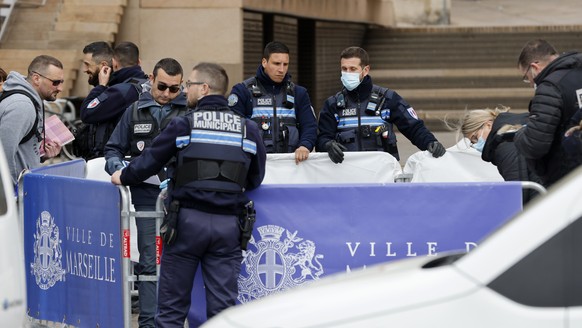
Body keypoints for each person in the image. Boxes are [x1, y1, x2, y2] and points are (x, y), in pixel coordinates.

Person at [111, 62, 266, 326]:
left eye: (189, 85)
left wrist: (123, 176)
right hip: (228, 227)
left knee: (171, 309)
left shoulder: (185, 125)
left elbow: (150, 160)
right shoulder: (247, 129)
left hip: (186, 225)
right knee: (223, 313)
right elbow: (255, 178)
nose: (186, 90)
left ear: (204, 88)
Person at [104, 58, 189, 328]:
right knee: (150, 260)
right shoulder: (133, 110)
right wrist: (119, 170)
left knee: (184, 259)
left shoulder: (189, 111)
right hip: (145, 193)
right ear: (151, 79)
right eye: (162, 86)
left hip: (181, 195)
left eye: (174, 89)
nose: (166, 94)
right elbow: (113, 149)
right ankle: (150, 323)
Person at [316, 46, 445, 163]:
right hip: (347, 173)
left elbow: (413, 127)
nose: (347, 73)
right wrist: (328, 145)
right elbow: (322, 138)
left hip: (382, 173)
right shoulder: (332, 104)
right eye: (344, 69)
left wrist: (430, 142)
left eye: (353, 69)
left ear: (365, 70)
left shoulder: (388, 99)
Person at [228, 41, 317, 164]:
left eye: (285, 64)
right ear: (264, 62)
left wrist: (305, 146)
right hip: (254, 164)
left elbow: (309, 126)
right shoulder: (242, 91)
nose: (281, 69)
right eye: (276, 64)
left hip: (291, 165)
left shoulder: (299, 93)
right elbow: (233, 128)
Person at [513, 39, 582, 187]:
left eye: (526, 77)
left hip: (567, 178)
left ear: (534, 67)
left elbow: (534, 145)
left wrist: (518, 134)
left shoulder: (550, 88)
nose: (530, 82)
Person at [449, 107, 542, 204]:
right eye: (473, 142)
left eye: (475, 137)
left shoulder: (505, 145)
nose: (476, 144)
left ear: (488, 125)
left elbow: (518, 191)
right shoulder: (516, 131)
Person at [0, 55, 64, 186]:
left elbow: (19, 149)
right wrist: (13, 195)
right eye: (55, 82)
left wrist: (40, 155)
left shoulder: (28, 100)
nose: (60, 88)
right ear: (36, 78)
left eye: (61, 82)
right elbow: (3, 155)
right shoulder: (22, 106)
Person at [79, 41, 148, 160]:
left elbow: (86, 112)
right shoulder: (145, 85)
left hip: (114, 162)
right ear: (139, 62)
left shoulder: (120, 92)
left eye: (87, 64)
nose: (85, 70)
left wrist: (100, 87)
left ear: (113, 64)